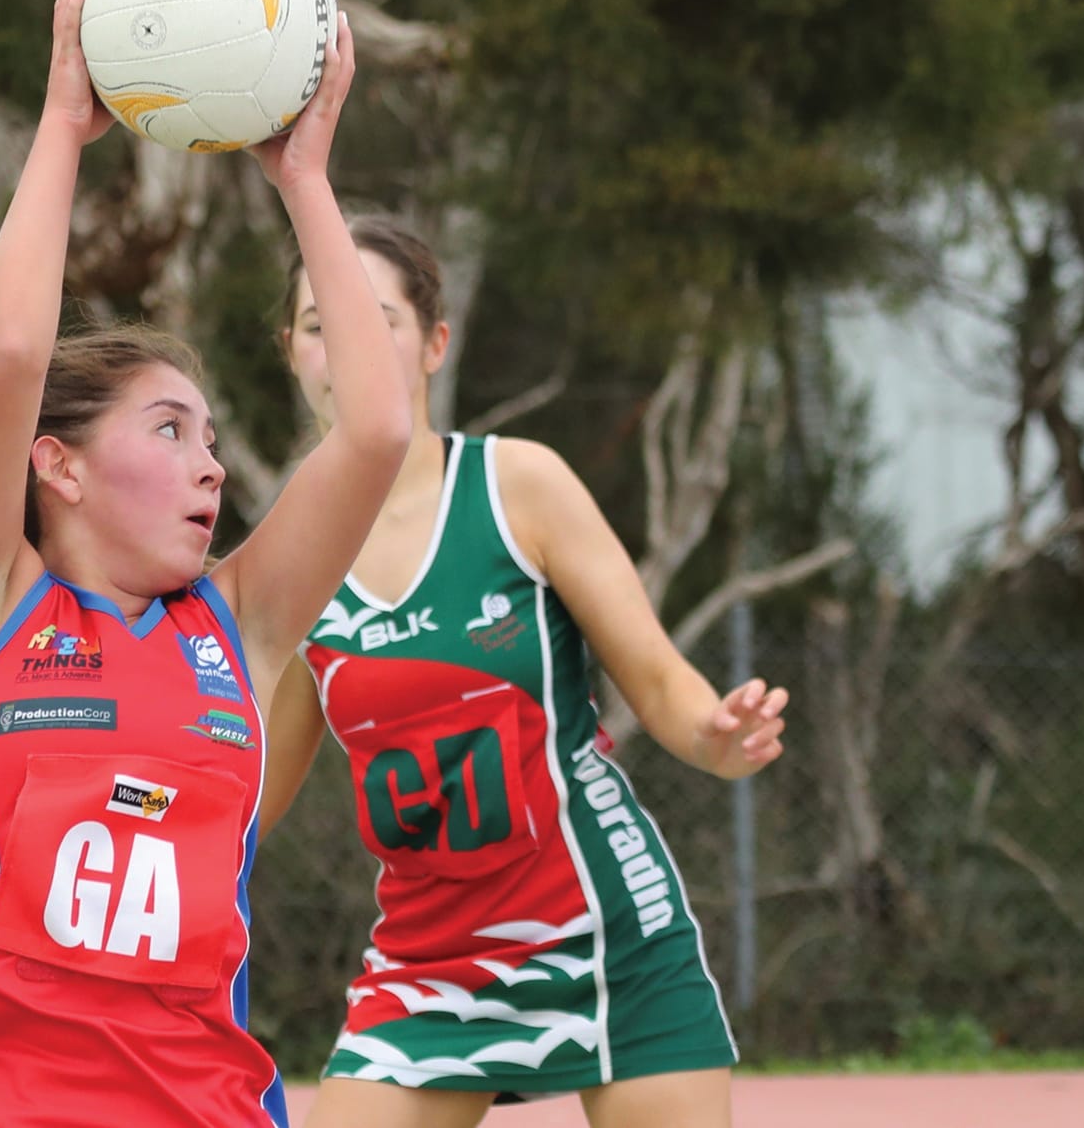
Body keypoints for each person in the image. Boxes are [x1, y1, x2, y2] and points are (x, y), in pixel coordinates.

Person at [0, 0, 409, 1128]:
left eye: (208, 436)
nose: (210, 464)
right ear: (59, 465)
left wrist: (304, 179)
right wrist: (60, 125)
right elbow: (7, 360)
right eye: (168, 429)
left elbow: (378, 427)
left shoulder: (235, 633)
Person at [260, 217, 789, 1128]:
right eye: (319, 322)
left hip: (603, 931)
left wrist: (716, 736)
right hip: (429, 962)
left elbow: (660, 683)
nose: (344, 339)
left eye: (374, 315)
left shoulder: (518, 488)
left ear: (434, 343)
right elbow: (244, 802)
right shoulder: (282, 563)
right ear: (291, 351)